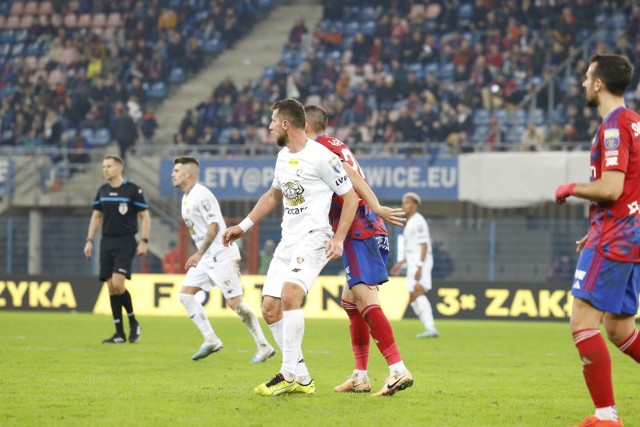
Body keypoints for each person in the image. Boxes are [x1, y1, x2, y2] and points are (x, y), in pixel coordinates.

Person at [222, 98, 359, 396]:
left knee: (290, 296)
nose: (269, 127)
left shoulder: (322, 157)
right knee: (270, 309)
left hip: (314, 237)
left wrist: (338, 238)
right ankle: (304, 379)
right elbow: (272, 197)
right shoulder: (283, 157)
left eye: (272, 121)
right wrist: (242, 227)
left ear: (286, 123)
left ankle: (287, 374)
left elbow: (351, 198)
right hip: (288, 240)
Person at [304, 104, 414, 396]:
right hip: (368, 227)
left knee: (365, 301)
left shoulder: (319, 148)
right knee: (351, 302)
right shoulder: (335, 143)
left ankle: (397, 369)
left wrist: (375, 205)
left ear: (304, 126)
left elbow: (350, 174)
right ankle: (360, 376)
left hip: (357, 230)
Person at [555, 54, 640, 427]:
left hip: (616, 237)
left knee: (582, 322)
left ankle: (606, 417)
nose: (584, 83)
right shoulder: (635, 122)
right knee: (619, 328)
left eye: (588, 77)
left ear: (600, 83)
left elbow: (611, 187)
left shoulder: (614, 126)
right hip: (627, 232)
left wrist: (571, 188)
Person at [171, 156, 275, 363]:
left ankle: (264, 346)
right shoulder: (186, 198)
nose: (172, 174)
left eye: (176, 171)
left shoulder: (202, 194)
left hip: (221, 256)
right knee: (185, 295)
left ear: (188, 174)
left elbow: (214, 227)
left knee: (234, 303)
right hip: (206, 258)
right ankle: (211, 339)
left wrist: (199, 253)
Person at [84, 155, 150, 344]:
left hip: (126, 241)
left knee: (118, 283)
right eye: (103, 166)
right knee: (111, 286)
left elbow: (145, 217)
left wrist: (144, 241)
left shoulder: (133, 190)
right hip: (106, 241)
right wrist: (89, 240)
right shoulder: (102, 190)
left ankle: (134, 323)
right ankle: (119, 333)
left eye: (109, 166)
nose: (105, 169)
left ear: (119, 168)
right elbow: (96, 217)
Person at [391, 192, 438, 338]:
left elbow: (424, 245)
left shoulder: (418, 222)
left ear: (415, 204)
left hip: (421, 262)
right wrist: (402, 261)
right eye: (403, 202)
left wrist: (420, 266)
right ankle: (428, 327)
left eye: (407, 202)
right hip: (413, 261)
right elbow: (413, 247)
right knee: (412, 296)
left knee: (418, 291)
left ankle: (430, 327)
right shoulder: (410, 222)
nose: (404, 205)